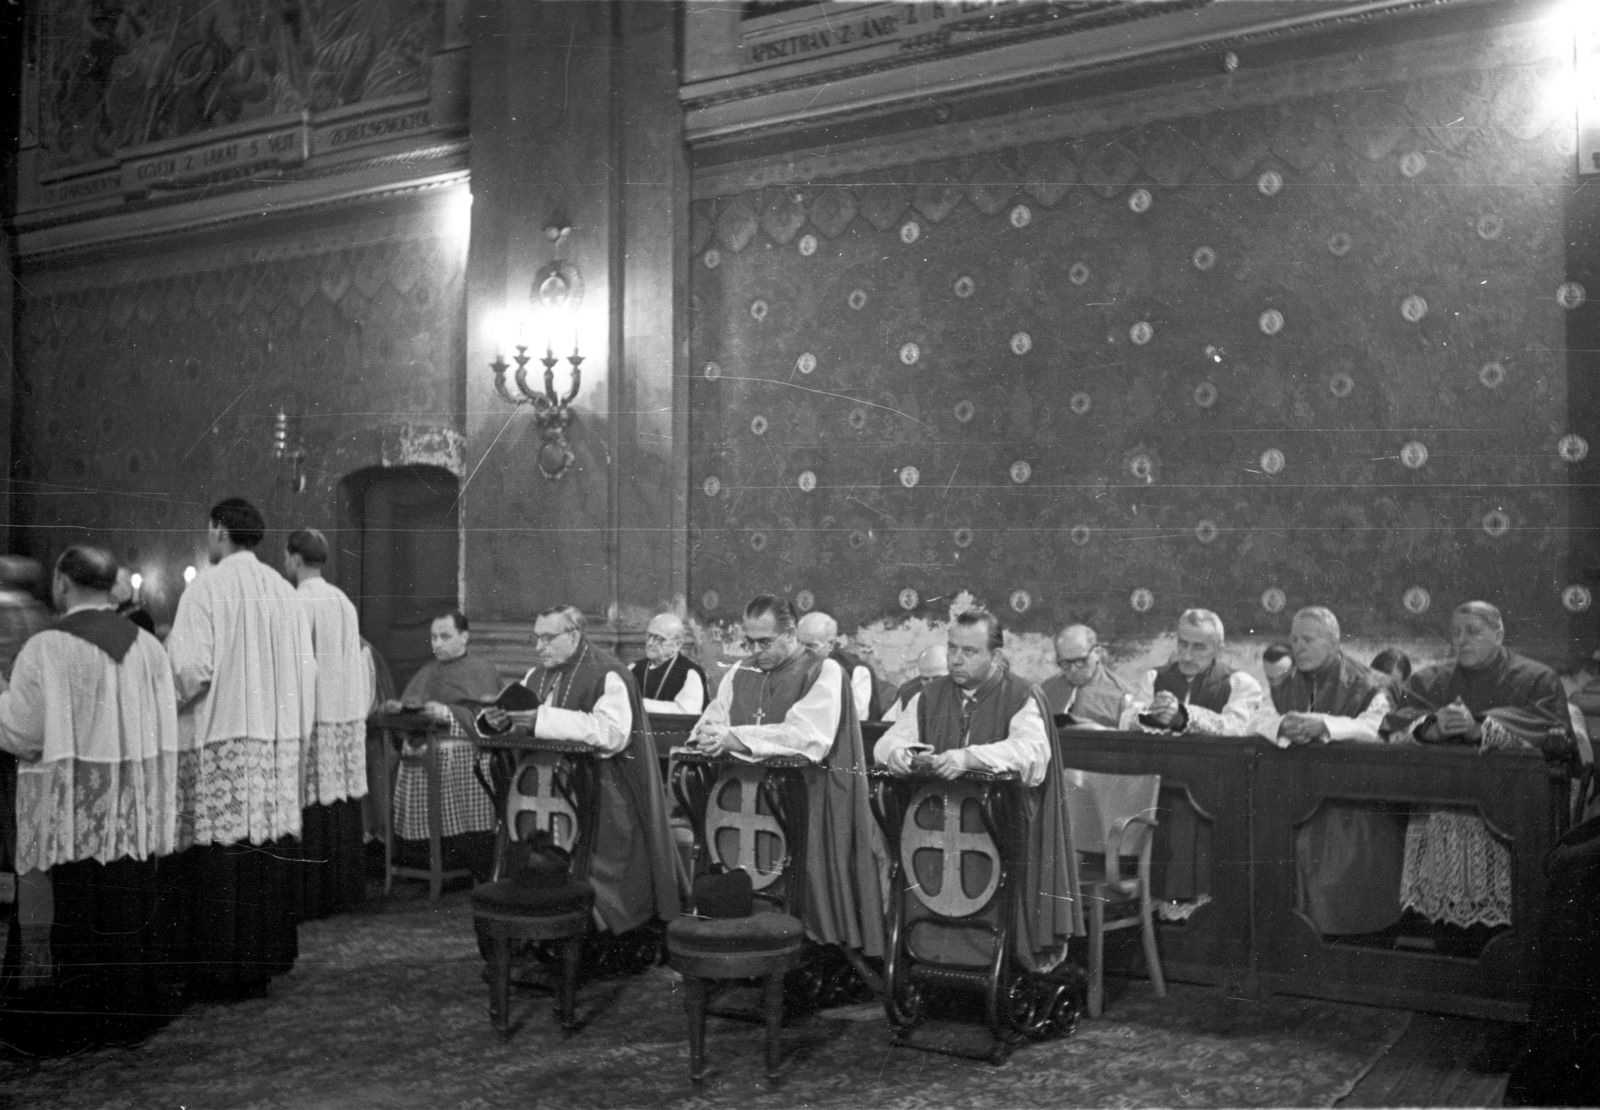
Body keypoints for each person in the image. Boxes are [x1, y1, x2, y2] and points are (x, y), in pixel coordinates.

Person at [0, 546, 180, 1049]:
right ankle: (135, 1005)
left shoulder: (48, 646)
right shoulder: (147, 646)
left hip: (73, 819)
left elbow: (24, 734)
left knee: (74, 911)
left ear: (62, 581)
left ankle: (72, 1017)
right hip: (129, 814)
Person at [163, 497, 318, 997]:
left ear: (217, 532)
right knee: (262, 854)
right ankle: (258, 969)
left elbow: (189, 671)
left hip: (221, 740)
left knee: (221, 855)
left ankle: (216, 974)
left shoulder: (205, 589)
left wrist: (162, 697)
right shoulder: (284, 590)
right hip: (273, 745)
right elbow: (306, 672)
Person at [875, 608, 1081, 971]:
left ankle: (997, 966)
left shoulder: (1022, 695)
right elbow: (889, 740)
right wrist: (899, 753)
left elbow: (1032, 753)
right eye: (952, 648)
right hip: (936, 825)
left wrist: (969, 758)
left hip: (1000, 825)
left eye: (969, 651)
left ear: (996, 656)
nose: (956, 659)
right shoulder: (931, 694)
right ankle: (928, 959)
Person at [686, 595, 884, 958]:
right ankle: (752, 940)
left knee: (800, 879)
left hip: (808, 797)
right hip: (744, 799)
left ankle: (808, 947)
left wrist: (735, 737)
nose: (756, 651)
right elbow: (714, 717)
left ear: (791, 633)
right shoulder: (740, 671)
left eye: (765, 642)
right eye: (750, 642)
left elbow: (808, 736)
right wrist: (708, 733)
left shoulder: (823, 671)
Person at [479, 606, 679, 935]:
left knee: (592, 860)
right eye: (536, 638)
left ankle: (596, 935)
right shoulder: (535, 676)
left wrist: (541, 720)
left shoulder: (608, 674)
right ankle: (539, 924)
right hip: (540, 789)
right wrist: (497, 723)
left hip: (600, 790)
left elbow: (613, 734)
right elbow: (519, 720)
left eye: (548, 638)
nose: (538, 646)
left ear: (573, 635)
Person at [1384, 601, 1570, 934]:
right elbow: (1394, 725)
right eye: (1455, 633)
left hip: (1506, 826)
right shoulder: (1430, 679)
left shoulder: (1537, 678)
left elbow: (1554, 733)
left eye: (1473, 631)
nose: (1462, 641)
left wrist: (1479, 728)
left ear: (1498, 634)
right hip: (1440, 818)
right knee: (1442, 927)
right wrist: (1433, 727)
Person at [1264, 607, 1403, 937]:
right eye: (1294, 639)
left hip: (1353, 810)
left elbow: (1376, 729)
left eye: (1308, 639)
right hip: (1297, 806)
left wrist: (1322, 726)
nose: (1298, 647)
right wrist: (1282, 726)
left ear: (1333, 642)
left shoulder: (1370, 684)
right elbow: (1257, 719)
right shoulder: (1284, 682)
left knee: (1352, 908)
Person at [284, 528, 372, 919]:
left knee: (315, 803)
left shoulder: (295, 602)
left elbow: (297, 668)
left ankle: (314, 897)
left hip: (313, 716)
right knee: (339, 800)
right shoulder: (342, 601)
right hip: (343, 714)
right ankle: (346, 891)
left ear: (294, 559)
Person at [384, 611, 503, 881]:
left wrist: (446, 712)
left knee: (448, 758)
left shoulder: (482, 670)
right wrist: (401, 712)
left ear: (464, 637)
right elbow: (413, 712)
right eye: (434, 638)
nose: (437, 643)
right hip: (426, 752)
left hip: (465, 753)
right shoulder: (426, 671)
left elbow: (486, 721)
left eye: (445, 636)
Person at [1125, 609, 1263, 735]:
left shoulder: (1240, 684)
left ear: (1218, 650)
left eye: (1199, 647)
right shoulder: (1154, 678)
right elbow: (1125, 722)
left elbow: (1239, 728)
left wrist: (1183, 716)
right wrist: (1152, 713)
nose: (1187, 656)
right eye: (1183, 644)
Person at [1040, 624, 1133, 728]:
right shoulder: (1045, 689)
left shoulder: (1122, 696)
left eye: (1080, 661)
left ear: (1097, 653)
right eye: (1065, 663)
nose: (1073, 669)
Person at [797, 611, 881, 722]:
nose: (802, 651)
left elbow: (854, 721)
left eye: (811, 646)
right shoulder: (793, 665)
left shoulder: (856, 670)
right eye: (799, 644)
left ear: (831, 644)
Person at [630, 612, 706, 716]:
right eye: (649, 636)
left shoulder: (690, 673)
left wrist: (641, 704)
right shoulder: (633, 669)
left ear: (677, 645)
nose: (650, 643)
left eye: (659, 638)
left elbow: (686, 712)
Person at [882, 644, 947, 723]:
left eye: (936, 678)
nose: (931, 684)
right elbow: (887, 724)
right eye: (925, 679)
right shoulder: (908, 692)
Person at [110, 566, 156, 635]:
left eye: (116, 583)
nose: (110, 587)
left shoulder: (141, 617)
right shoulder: (108, 611)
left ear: (127, 586)